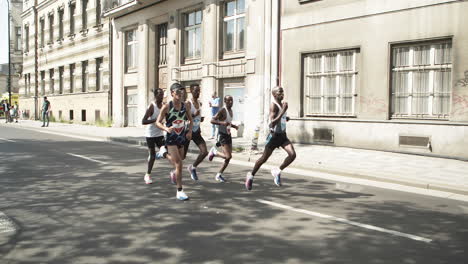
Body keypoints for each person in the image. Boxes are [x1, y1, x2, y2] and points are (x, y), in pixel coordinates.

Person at [245, 86, 296, 191]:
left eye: (282, 91)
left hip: (282, 136)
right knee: (263, 159)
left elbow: (280, 118)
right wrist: (282, 111)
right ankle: (251, 175)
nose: (282, 93)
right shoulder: (274, 106)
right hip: (274, 137)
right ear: (274, 94)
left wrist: (285, 117)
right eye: (279, 92)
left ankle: (277, 170)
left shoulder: (282, 105)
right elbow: (272, 123)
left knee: (292, 155)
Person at [156, 83, 193, 201]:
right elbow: (158, 122)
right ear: (172, 93)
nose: (180, 94)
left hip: (181, 136)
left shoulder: (185, 106)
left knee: (181, 159)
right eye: (177, 92)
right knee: (179, 164)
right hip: (171, 137)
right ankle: (180, 190)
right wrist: (166, 128)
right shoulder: (167, 106)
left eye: (182, 92)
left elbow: (191, 120)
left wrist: (189, 132)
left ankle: (163, 154)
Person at [141, 88, 170, 184]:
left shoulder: (163, 106)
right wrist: (155, 120)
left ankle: (159, 154)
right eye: (159, 95)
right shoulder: (152, 106)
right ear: (156, 96)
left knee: (165, 150)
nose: (161, 97)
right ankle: (147, 175)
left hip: (159, 133)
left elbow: (167, 117)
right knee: (152, 156)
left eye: (162, 95)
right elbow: (144, 121)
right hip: (150, 134)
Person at [208, 95, 238, 182]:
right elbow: (212, 120)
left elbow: (227, 123)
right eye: (229, 101)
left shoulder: (231, 110)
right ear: (225, 101)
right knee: (227, 156)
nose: (231, 102)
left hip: (228, 134)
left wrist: (234, 126)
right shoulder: (222, 110)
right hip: (222, 135)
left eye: (232, 100)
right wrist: (222, 123)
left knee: (229, 157)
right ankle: (214, 152)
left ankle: (219, 174)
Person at [184, 84, 208, 181]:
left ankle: (193, 167)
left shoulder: (200, 103)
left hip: (196, 131)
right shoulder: (188, 103)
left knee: (204, 152)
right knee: (182, 157)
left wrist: (200, 119)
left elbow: (197, 117)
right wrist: (194, 115)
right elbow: (184, 117)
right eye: (196, 91)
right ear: (191, 91)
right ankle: (175, 171)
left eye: (199, 91)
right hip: (188, 132)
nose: (198, 93)